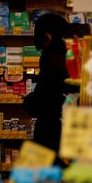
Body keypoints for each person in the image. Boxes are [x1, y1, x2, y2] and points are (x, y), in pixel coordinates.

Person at [23, 13, 79, 163]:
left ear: (47, 36)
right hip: (72, 129)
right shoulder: (74, 55)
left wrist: (28, 101)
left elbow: (44, 99)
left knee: (45, 180)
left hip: (51, 133)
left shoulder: (51, 58)